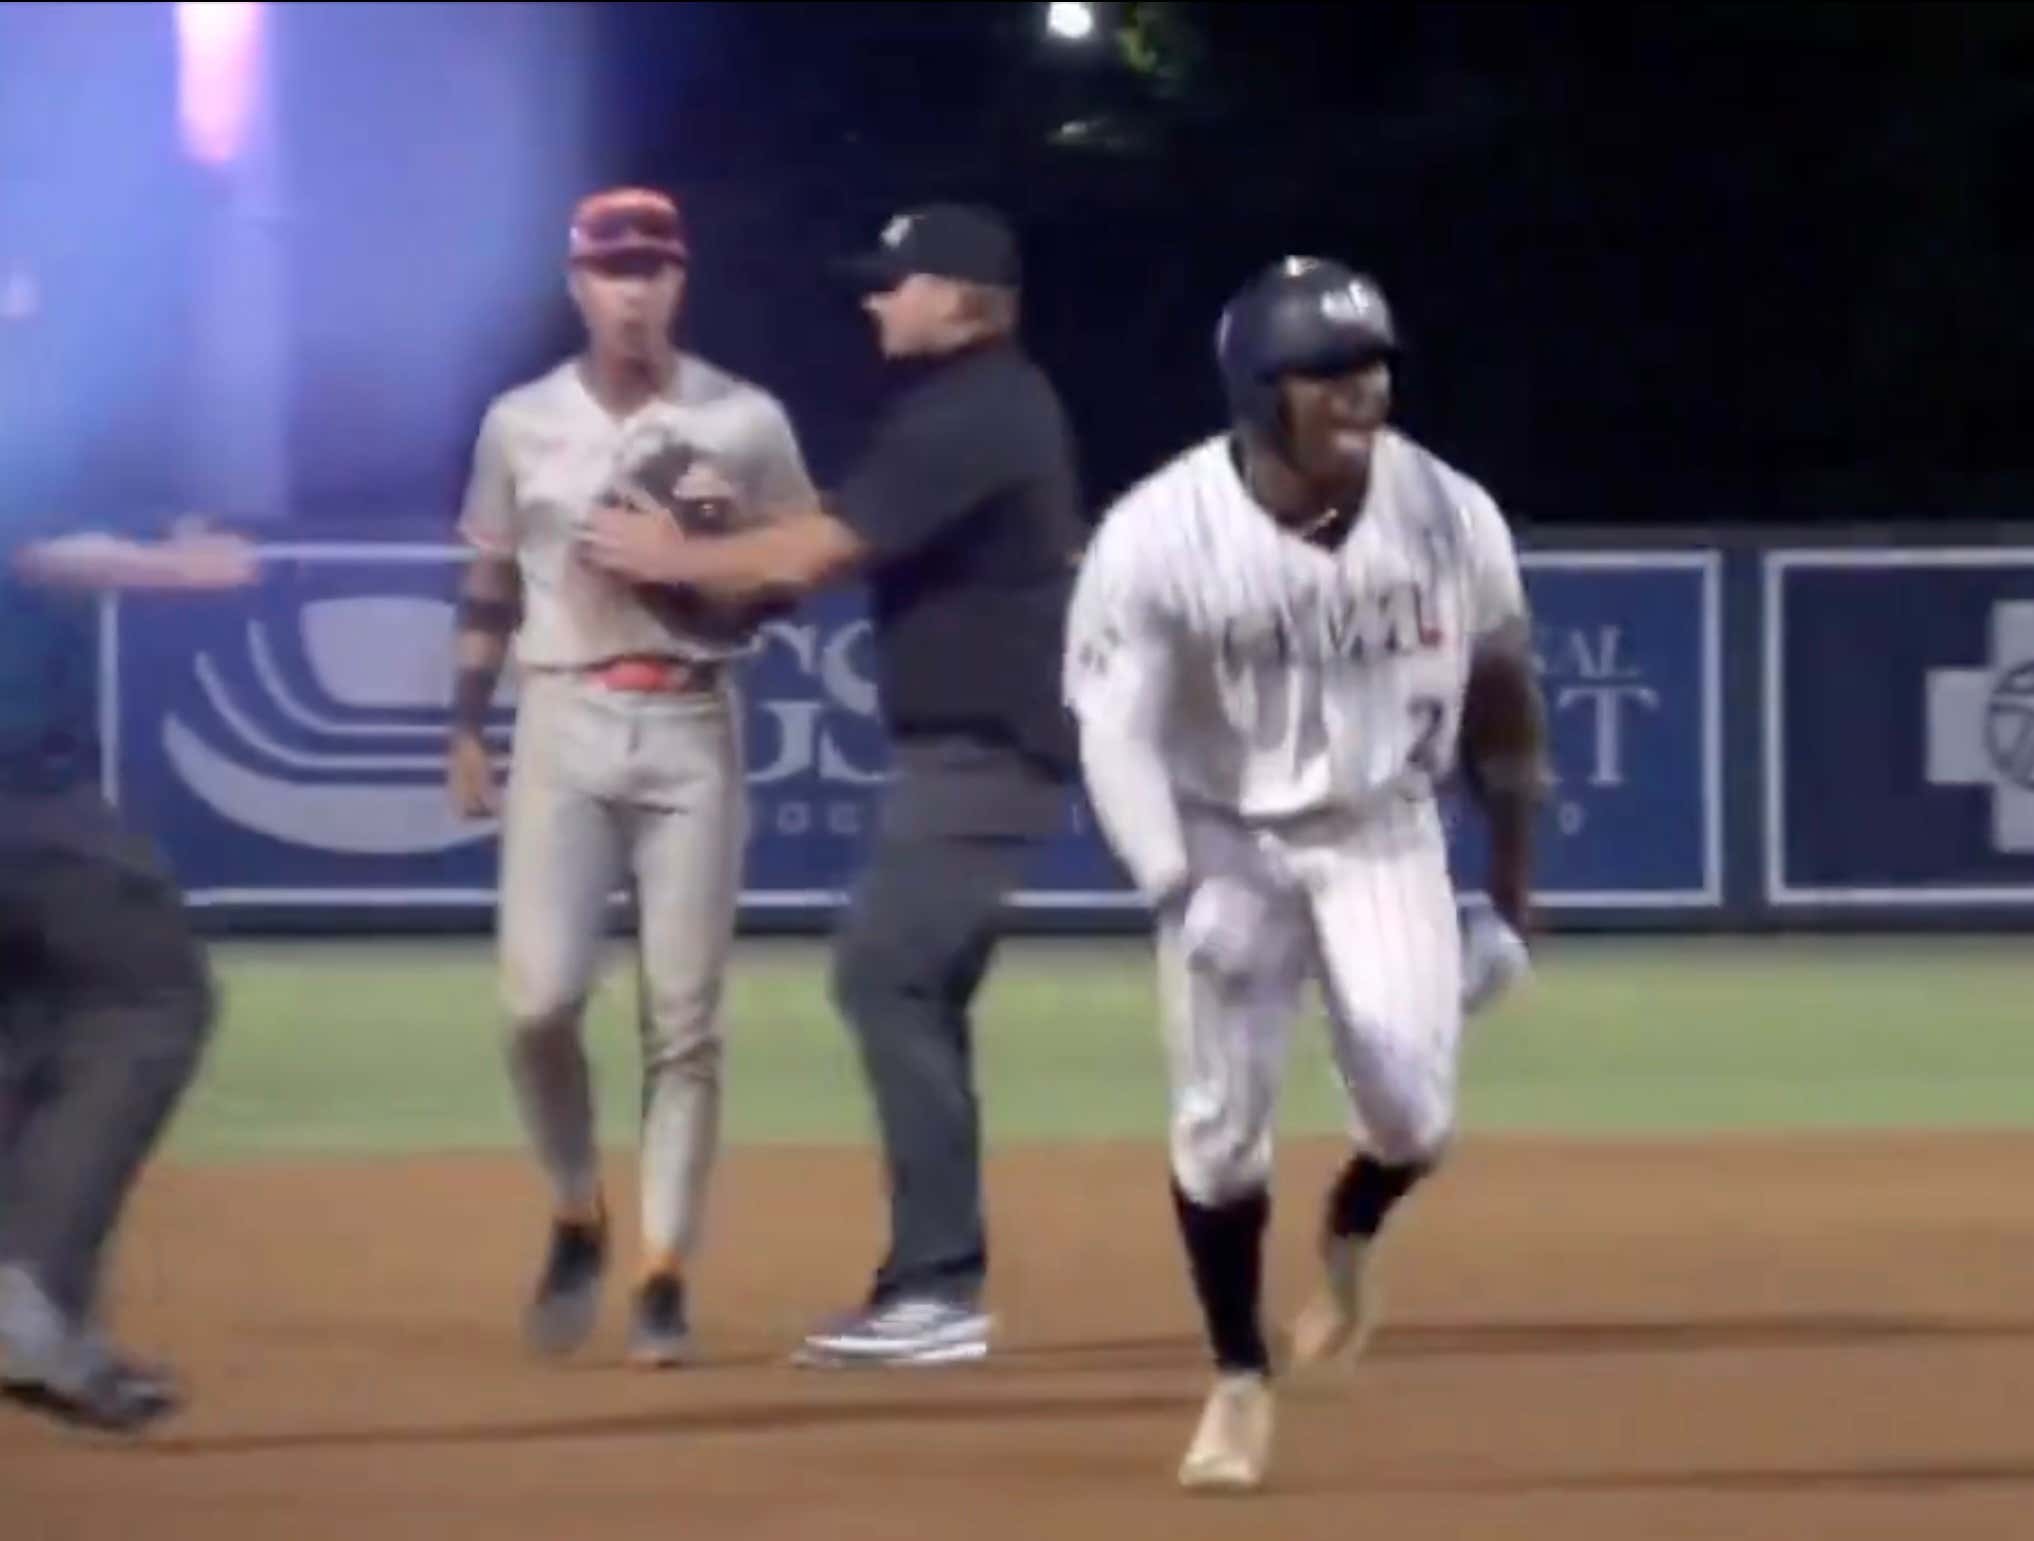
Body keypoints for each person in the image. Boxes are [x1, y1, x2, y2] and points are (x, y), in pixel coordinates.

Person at [1060, 256, 1546, 1491]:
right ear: (1255, 389)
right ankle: (1237, 1379)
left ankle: (1350, 1231)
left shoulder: (1448, 512)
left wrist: (1508, 890)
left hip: (1382, 827)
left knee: (1413, 1116)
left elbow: (1502, 692)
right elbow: (1114, 732)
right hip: (1224, 838)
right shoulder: (1157, 534)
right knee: (1220, 1133)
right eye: (1324, 372)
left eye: (1371, 364)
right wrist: (1175, 886)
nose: (1360, 391)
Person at [579, 203, 1085, 1368]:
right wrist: (726, 531)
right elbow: (816, 527)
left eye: (894, 283)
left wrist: (674, 554)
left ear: (960, 297)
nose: (874, 298)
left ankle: (938, 1289)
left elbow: (813, 554)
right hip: (976, 746)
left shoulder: (981, 410)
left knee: (883, 972)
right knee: (910, 988)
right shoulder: (964, 408)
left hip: (987, 746)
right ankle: (935, 1275)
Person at [447, 186, 816, 1368]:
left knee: (685, 1021)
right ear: (577, 286)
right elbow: (493, 582)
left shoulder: (745, 419)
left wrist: (703, 568)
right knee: (536, 1002)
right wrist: (466, 723)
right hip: (563, 714)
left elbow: (795, 569)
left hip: (693, 723)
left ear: (680, 280)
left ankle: (663, 1273)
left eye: (653, 266)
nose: (634, 287)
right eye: (613, 269)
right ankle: (575, 1206)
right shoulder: (520, 422)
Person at [0, 510, 258, 1433]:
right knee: (151, 998)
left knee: (28, 1031)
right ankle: (29, 1293)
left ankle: (55, 1333)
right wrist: (171, 566)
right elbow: (31, 538)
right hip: (22, 796)